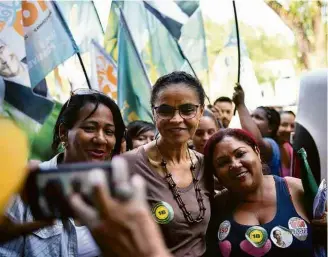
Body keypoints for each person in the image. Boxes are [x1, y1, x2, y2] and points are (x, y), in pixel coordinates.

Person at [0, 89, 125, 256]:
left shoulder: (116, 190)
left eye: (109, 132)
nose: (101, 139)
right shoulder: (27, 185)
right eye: (89, 128)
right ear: (63, 133)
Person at [122, 71, 212, 257]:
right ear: (153, 113)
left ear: (201, 112)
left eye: (187, 110)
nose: (176, 119)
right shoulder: (126, 165)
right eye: (165, 110)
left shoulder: (206, 165)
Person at [205, 128, 313, 256]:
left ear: (256, 151)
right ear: (216, 173)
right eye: (223, 162)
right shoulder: (216, 206)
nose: (235, 165)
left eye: (240, 154)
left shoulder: (296, 189)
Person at [233, 84, 282, 176]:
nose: (251, 120)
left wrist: (240, 104)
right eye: (251, 116)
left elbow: (257, 142)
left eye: (258, 117)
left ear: (270, 127)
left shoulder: (272, 144)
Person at [278, 111, 296, 177]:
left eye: (292, 126)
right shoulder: (269, 148)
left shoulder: (290, 147)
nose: (289, 129)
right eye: (284, 125)